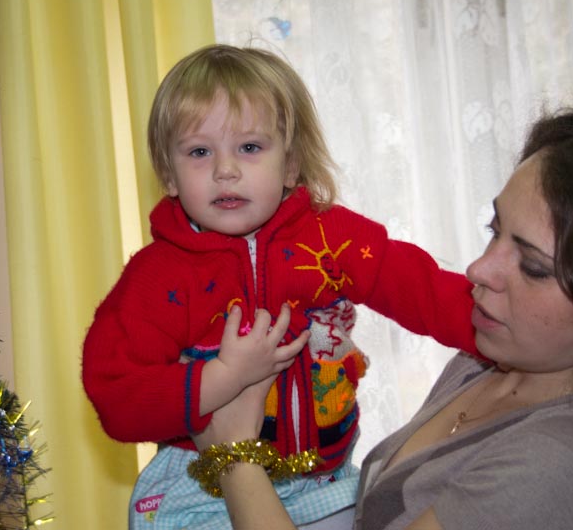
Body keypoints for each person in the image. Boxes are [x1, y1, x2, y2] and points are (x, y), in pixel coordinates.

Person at [190, 101, 573, 530]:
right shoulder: (489, 360)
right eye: (494, 230)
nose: (478, 270)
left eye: (533, 268)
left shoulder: (568, 464)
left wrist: (233, 455)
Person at [81, 44, 480, 529]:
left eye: (249, 148)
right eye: (200, 152)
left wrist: (514, 329)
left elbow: (426, 291)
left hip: (324, 479)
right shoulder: (158, 276)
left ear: (291, 164)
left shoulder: (332, 240)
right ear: (169, 175)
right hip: (202, 484)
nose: (225, 170)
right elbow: (115, 395)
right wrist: (223, 377)